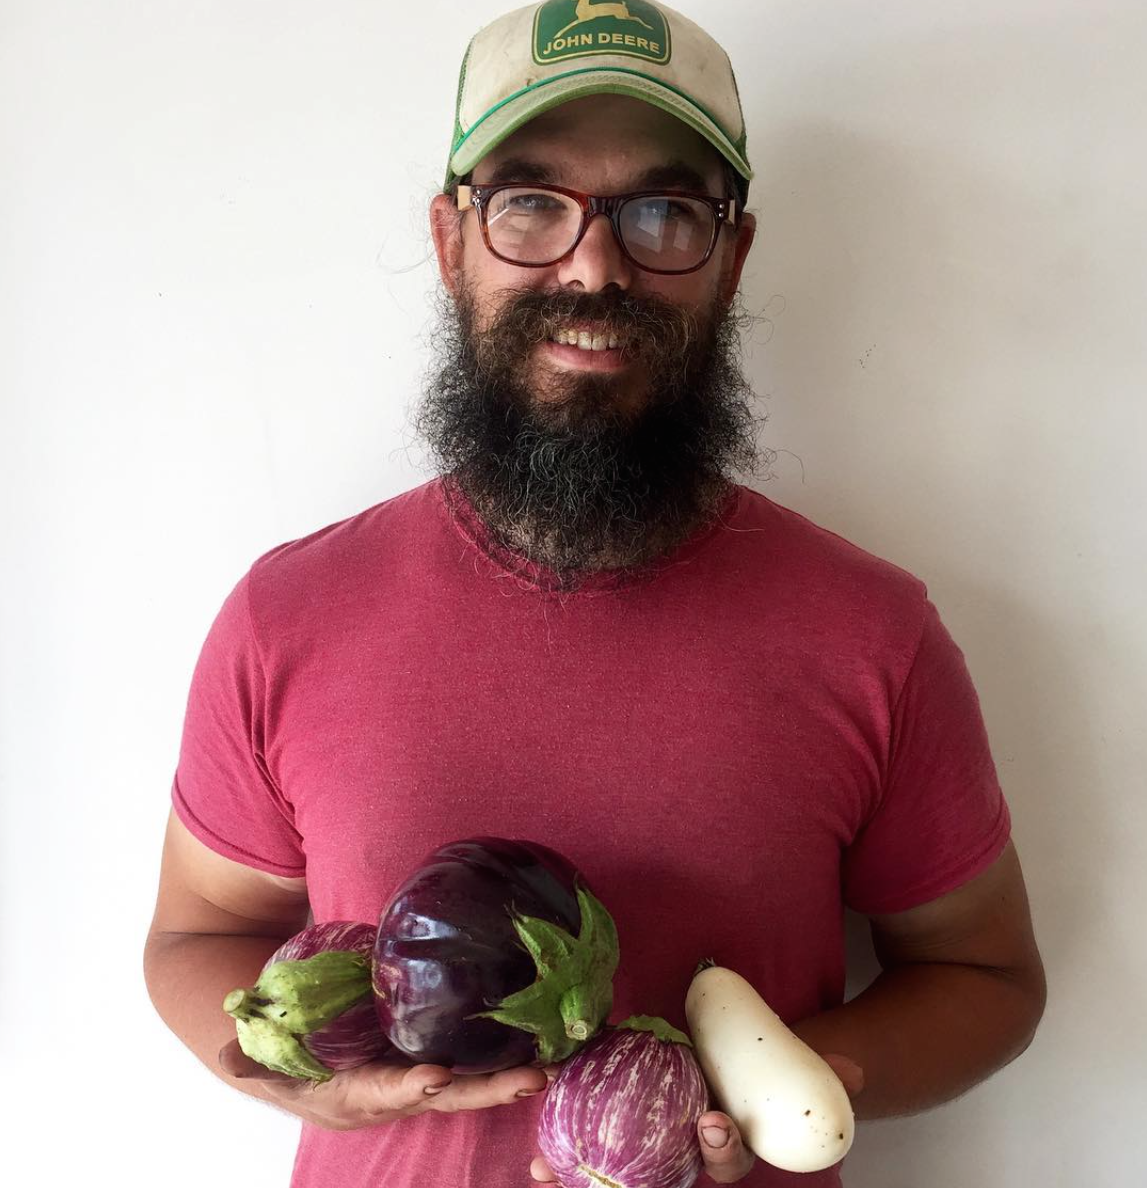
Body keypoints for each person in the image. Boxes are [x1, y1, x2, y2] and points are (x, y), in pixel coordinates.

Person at [143, 2, 1046, 1186]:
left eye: (663, 213)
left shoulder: (873, 633)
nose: (593, 266)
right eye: (530, 203)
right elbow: (198, 934)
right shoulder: (288, 615)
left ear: (730, 257)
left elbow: (986, 976)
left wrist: (800, 1086)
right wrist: (293, 1069)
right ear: (450, 240)